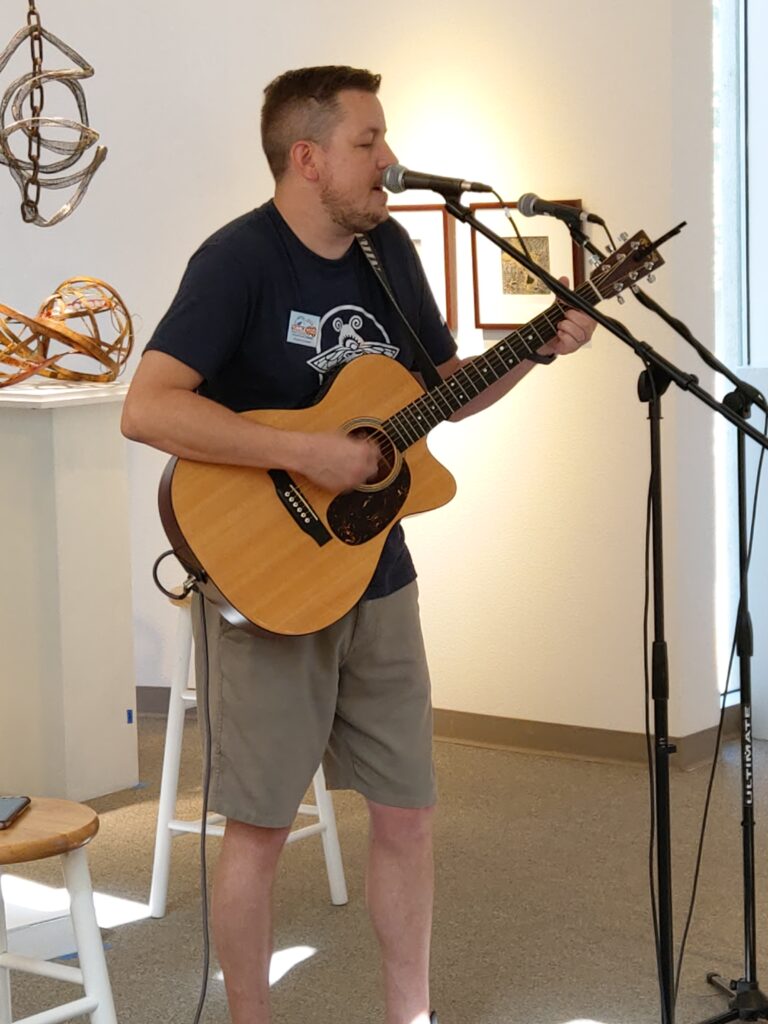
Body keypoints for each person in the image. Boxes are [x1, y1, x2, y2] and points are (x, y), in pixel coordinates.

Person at [121, 65, 595, 1024]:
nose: (390, 160)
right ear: (308, 158)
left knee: (409, 813)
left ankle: (408, 1016)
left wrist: (538, 347)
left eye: (384, 141)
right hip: (269, 578)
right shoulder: (238, 261)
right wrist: (306, 453)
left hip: (378, 572)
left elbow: (444, 390)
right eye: (368, 142)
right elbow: (148, 407)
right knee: (257, 831)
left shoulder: (389, 253)